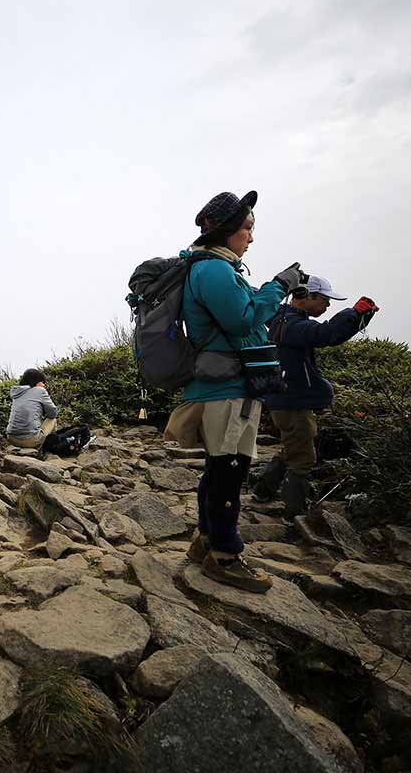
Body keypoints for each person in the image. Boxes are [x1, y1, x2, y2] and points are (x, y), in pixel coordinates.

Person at [163, 189, 305, 593]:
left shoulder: (213, 267)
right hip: (227, 388)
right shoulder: (214, 270)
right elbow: (243, 320)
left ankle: (206, 541)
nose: (251, 237)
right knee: (228, 472)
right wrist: (278, 286)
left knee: (220, 468)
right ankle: (225, 556)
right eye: (247, 228)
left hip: (226, 386)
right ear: (226, 230)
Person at [252, 277, 379, 516]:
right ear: (305, 296)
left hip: (284, 400)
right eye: (324, 299)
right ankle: (295, 513)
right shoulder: (292, 325)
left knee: (292, 448)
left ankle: (263, 491)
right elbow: (327, 333)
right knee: (303, 459)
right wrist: (355, 314)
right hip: (293, 403)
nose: (327, 305)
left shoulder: (281, 318)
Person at [6, 368, 58, 449]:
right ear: (37, 381)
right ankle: (51, 447)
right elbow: (53, 413)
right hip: (30, 440)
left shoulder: (17, 392)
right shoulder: (40, 391)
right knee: (52, 420)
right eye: (42, 382)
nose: (44, 385)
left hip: (11, 438)